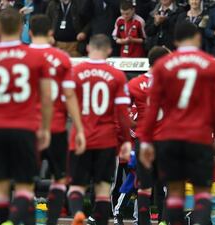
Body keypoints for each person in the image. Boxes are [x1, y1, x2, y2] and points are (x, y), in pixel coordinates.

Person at [138, 21, 215, 225]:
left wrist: (145, 141)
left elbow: (152, 109)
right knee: (202, 192)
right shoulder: (212, 65)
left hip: (170, 138)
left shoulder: (162, 66)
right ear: (197, 38)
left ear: (175, 41)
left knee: (175, 191)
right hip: (200, 137)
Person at [0, 8, 52, 225]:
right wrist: (45, 128)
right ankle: (13, 220)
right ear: (22, 27)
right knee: (25, 186)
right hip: (25, 128)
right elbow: (46, 97)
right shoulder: (36, 57)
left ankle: (3, 221)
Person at [67, 34, 132, 225]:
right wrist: (126, 141)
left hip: (80, 137)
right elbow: (123, 113)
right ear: (109, 51)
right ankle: (99, 219)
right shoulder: (118, 75)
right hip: (106, 139)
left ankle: (78, 213)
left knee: (76, 186)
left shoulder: (74, 72)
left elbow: (66, 104)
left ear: (88, 48)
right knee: (103, 187)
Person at [28, 14, 86, 225]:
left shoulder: (21, 56)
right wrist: (79, 128)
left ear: (30, 33)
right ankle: (51, 221)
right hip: (56, 126)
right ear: (51, 33)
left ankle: (23, 220)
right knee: (59, 178)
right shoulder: (61, 58)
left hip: (29, 127)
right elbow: (69, 95)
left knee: (25, 181)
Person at [128, 46, 170, 225]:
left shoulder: (135, 83)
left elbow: (122, 113)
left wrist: (137, 126)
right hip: (165, 140)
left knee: (144, 187)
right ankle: (164, 222)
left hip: (143, 140)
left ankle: (143, 223)